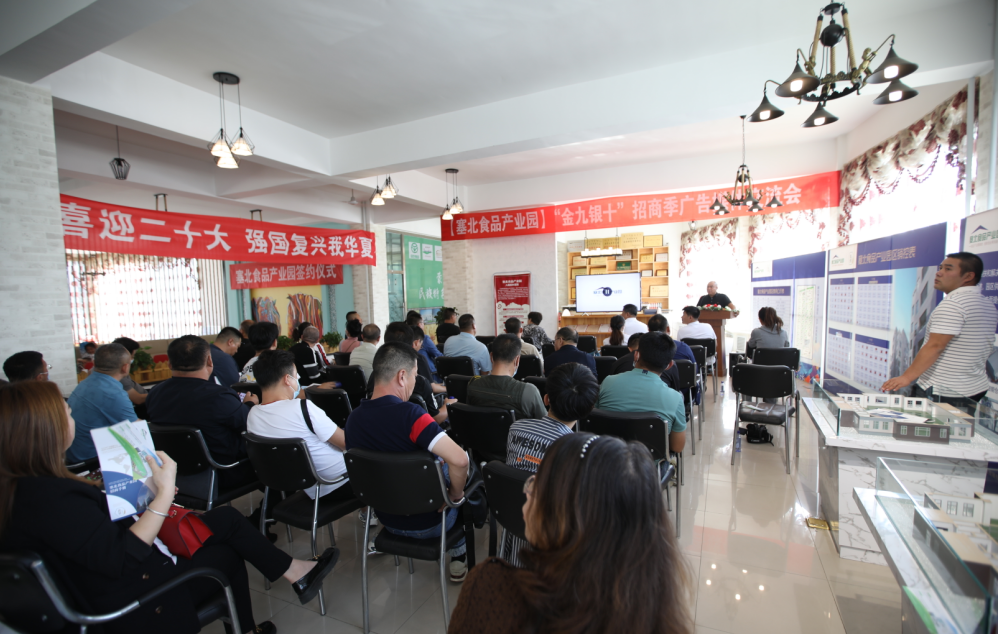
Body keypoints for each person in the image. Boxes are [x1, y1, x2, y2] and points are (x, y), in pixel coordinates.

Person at [0, 381, 339, 634]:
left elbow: (84, 536)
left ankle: (295, 573)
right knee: (226, 555)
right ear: (46, 430)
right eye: (67, 412)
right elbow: (123, 557)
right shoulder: (53, 500)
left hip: (97, 589)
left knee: (225, 519)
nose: (72, 416)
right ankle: (272, 600)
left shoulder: (24, 491)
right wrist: (163, 494)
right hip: (134, 601)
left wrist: (113, 490)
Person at [447, 433, 693, 634]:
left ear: (562, 515)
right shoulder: (657, 619)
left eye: (540, 483)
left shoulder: (491, 588)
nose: (528, 491)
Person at [344, 342, 472, 582]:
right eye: (415, 375)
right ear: (402, 376)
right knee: (465, 473)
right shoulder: (411, 415)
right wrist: (455, 496)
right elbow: (460, 460)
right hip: (432, 522)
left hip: (388, 520)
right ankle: (459, 553)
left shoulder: (353, 420)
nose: (415, 381)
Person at [501, 363, 598, 567]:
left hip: (514, 539)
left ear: (546, 399)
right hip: (554, 554)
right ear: (588, 409)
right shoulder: (581, 452)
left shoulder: (516, 429)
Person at [146, 335, 260, 491]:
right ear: (209, 361)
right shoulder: (219, 397)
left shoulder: (155, 394)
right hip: (224, 473)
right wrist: (250, 404)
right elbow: (251, 425)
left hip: (173, 476)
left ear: (169, 363)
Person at [883, 252, 998, 404]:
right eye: (941, 268)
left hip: (942, 389)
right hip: (973, 387)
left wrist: (906, 377)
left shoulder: (954, 304)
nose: (939, 273)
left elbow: (936, 345)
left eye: (948, 269)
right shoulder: (986, 303)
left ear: (968, 276)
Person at [247, 350, 350, 499]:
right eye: (296, 376)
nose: (298, 380)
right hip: (337, 482)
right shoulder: (302, 408)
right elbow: (347, 443)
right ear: (287, 379)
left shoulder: (253, 414)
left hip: (300, 484)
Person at [597, 332, 686, 453]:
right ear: (669, 365)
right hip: (648, 462)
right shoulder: (675, 398)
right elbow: (677, 447)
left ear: (636, 355)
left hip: (608, 457)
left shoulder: (608, 382)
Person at [66, 343, 137, 463]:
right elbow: (135, 429)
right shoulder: (113, 393)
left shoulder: (85, 383)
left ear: (94, 363)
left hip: (72, 454)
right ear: (125, 367)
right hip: (91, 459)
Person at [382, 322, 453, 425]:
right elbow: (436, 419)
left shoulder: (376, 377)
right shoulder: (421, 381)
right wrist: (448, 404)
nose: (415, 373)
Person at [467, 334, 547, 420]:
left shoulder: (473, 384)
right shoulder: (529, 391)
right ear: (517, 360)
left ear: (491, 357)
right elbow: (545, 423)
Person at [111, 337, 148, 407]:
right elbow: (138, 399)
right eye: (132, 356)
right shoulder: (119, 375)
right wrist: (157, 395)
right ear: (125, 356)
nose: (132, 359)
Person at [406, 310, 441, 380]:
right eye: (423, 323)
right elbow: (438, 355)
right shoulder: (424, 338)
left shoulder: (405, 337)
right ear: (419, 324)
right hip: (430, 375)